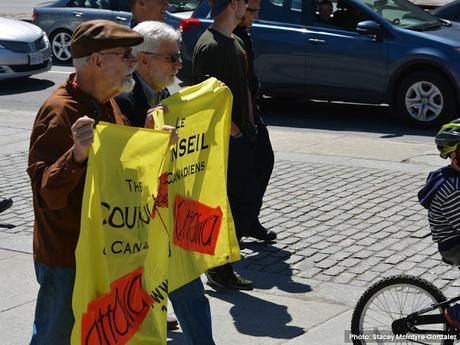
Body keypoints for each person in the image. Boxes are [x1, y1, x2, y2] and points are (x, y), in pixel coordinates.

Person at [27, 19, 172, 344]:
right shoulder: (60, 112)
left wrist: (149, 142)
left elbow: (119, 171)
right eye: (125, 55)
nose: (133, 63)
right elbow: (46, 193)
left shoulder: (107, 105)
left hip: (104, 253)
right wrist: (76, 154)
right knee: (56, 337)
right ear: (97, 61)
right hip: (68, 258)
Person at [115, 21, 215, 345]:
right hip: (138, 224)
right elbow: (119, 167)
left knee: (189, 289)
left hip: (167, 215)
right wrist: (147, 138)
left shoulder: (167, 95)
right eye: (171, 58)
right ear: (144, 59)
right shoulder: (121, 101)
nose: (179, 64)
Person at [192, 0, 262, 291]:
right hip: (224, 143)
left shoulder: (234, 41)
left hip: (241, 137)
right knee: (226, 206)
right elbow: (208, 101)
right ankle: (218, 269)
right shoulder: (211, 46)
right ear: (233, 3)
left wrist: (249, 127)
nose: (248, 5)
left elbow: (242, 87)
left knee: (237, 203)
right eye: (244, 1)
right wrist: (234, 133)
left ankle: (222, 265)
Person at [233, 0, 276, 243]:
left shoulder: (244, 35)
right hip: (242, 117)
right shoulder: (231, 36)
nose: (255, 16)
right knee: (246, 172)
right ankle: (241, 222)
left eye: (258, 10)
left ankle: (250, 219)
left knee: (264, 161)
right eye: (252, 10)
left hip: (253, 112)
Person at [418, 119, 460, 330]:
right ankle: (457, 313)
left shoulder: (455, 175)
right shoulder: (453, 188)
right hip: (453, 245)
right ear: (454, 155)